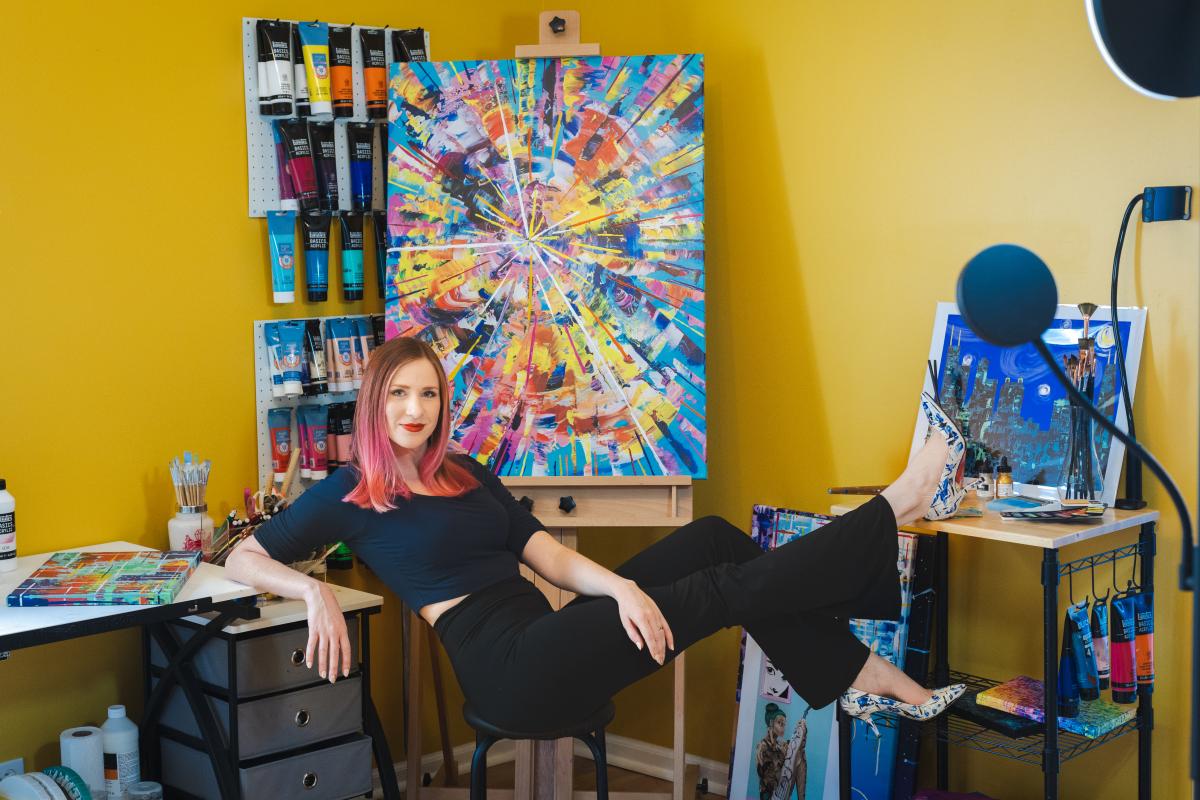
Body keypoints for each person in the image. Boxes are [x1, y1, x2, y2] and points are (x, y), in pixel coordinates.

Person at [226, 337, 966, 736]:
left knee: (712, 539)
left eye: (428, 392)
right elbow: (240, 557)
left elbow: (547, 555)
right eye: (398, 393)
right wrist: (313, 592)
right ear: (374, 403)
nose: (414, 408)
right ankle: (897, 505)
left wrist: (622, 587)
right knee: (715, 590)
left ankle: (856, 675)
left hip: (546, 635)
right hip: (507, 672)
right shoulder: (349, 493)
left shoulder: (467, 473)